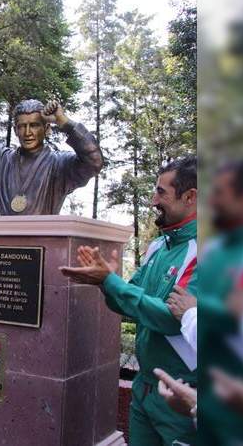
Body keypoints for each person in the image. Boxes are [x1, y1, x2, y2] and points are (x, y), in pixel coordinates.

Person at [59, 156, 198, 445]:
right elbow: (125, 305)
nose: (153, 200)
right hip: (143, 391)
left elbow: (173, 321)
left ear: (190, 197)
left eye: (161, 192)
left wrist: (111, 282)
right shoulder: (158, 246)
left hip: (180, 397)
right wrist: (104, 282)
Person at [0, 74, 103, 215]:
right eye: (22, 126)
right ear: (15, 130)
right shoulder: (1, 161)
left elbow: (94, 162)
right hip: (6, 235)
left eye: (35, 125)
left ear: (47, 129)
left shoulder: (60, 164)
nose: (28, 132)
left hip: (44, 236)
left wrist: (64, 122)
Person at [196, 157, 243, 444]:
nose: (212, 202)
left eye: (220, 193)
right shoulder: (214, 249)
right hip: (205, 410)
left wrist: (194, 309)